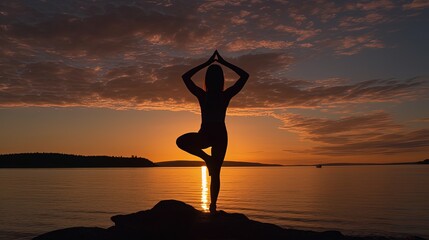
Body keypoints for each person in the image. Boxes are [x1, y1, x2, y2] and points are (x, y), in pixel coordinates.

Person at [176, 50, 249, 213]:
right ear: (221, 80)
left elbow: (185, 77)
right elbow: (244, 76)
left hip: (208, 133)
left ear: (207, 80)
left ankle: (213, 205)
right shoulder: (224, 95)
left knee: (181, 142)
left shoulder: (204, 95)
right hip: (219, 133)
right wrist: (223, 62)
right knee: (215, 172)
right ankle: (213, 206)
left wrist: (206, 63)